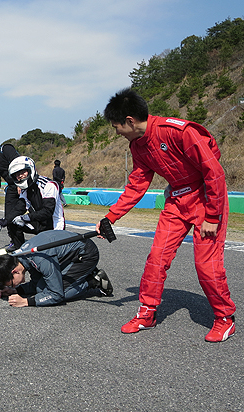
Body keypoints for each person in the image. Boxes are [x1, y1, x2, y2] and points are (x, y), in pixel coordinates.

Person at [96, 88, 235, 343]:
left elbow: (214, 173)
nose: (116, 133)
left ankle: (225, 318)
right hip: (176, 201)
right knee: (156, 259)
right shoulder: (137, 146)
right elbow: (136, 185)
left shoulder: (178, 132)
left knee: (206, 264)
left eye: (116, 127)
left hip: (206, 197)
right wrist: (110, 217)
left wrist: (213, 217)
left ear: (130, 121)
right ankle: (146, 313)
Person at [0, 230, 113, 307]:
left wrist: (26, 302)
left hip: (86, 255)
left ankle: (93, 281)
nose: (14, 286)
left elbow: (56, 294)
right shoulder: (23, 256)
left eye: (12, 285)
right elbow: (36, 284)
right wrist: (18, 291)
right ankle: (83, 276)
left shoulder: (40, 260)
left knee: (59, 292)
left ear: (15, 271)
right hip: (69, 254)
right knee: (40, 288)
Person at [2, 156, 65, 251]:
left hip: (53, 226)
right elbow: (19, 208)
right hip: (39, 223)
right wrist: (3, 222)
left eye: (23, 172)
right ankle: (18, 249)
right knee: (13, 221)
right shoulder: (25, 189)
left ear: (31, 169)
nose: (20, 176)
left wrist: (25, 217)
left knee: (47, 255)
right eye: (17, 174)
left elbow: (47, 212)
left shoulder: (49, 185)